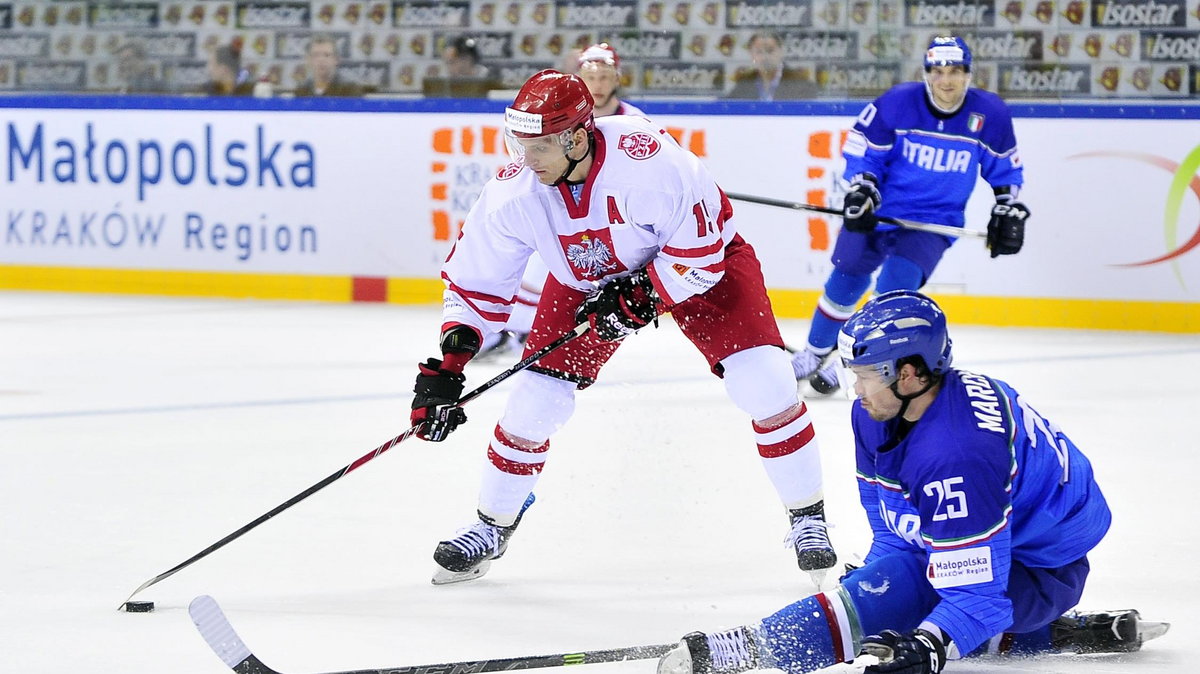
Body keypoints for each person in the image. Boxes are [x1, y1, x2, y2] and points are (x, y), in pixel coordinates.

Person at [410, 70, 836, 586]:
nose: (527, 159)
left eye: (540, 145)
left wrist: (643, 298)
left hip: (705, 270)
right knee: (534, 401)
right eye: (519, 144)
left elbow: (699, 258)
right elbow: (475, 282)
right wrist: (449, 368)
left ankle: (807, 517)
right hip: (588, 279)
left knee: (764, 382)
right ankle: (491, 524)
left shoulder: (653, 164)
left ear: (575, 136)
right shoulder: (514, 193)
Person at [657, 290, 1167, 674]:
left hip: (1041, 568)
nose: (854, 389)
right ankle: (1043, 635)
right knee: (889, 588)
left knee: (901, 593)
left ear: (910, 374)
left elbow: (979, 598)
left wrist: (928, 646)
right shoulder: (881, 412)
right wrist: (874, 589)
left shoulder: (956, 456)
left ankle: (745, 648)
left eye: (866, 375)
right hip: (1002, 533)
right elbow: (889, 527)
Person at [790, 36, 1028, 397]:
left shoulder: (989, 114)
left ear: (969, 74)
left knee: (891, 291)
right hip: (881, 210)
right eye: (938, 71)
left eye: (956, 71)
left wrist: (1006, 206)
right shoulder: (898, 102)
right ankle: (813, 353)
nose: (947, 80)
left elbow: (1004, 171)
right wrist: (863, 188)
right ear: (926, 73)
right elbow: (863, 152)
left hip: (933, 221)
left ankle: (847, 363)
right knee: (845, 282)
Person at [475, 44, 646, 362]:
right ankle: (512, 330)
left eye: (605, 77)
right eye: (590, 76)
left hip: (608, 213)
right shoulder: (561, 113)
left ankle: (519, 332)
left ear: (617, 79)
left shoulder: (634, 121)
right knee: (534, 265)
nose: (598, 85)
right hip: (563, 201)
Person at [725, 32, 816, 101]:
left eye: (770, 51)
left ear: (781, 51)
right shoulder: (743, 85)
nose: (765, 57)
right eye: (759, 52)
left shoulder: (801, 84)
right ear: (751, 54)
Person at [293, 34, 363, 97]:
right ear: (308, 60)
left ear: (336, 59)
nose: (321, 60)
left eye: (327, 55)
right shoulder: (302, 91)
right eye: (316, 55)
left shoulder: (349, 89)